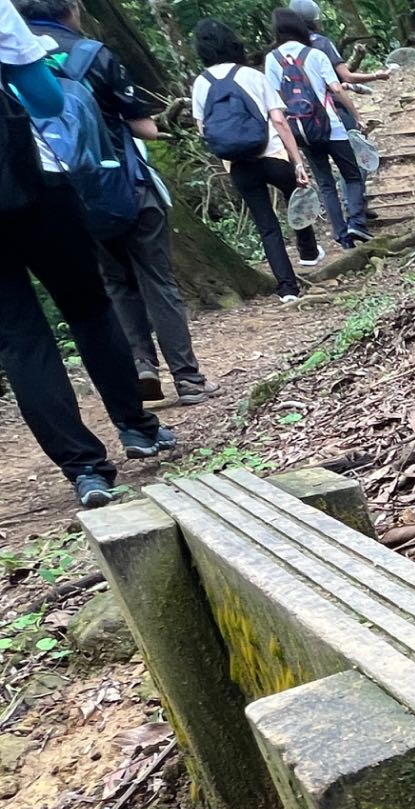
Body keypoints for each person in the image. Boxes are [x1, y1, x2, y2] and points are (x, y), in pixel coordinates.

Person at [0, 0, 172, 508]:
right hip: (31, 185)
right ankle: (136, 427)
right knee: (89, 307)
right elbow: (45, 99)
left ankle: (85, 470)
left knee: (19, 338)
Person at [15, 0, 217, 407]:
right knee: (157, 280)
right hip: (126, 183)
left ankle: (142, 368)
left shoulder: (16, 62)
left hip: (71, 195)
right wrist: (161, 129)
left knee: (116, 283)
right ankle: (188, 378)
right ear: (70, 9)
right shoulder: (92, 53)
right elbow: (142, 126)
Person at [190, 18, 319, 303]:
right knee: (295, 194)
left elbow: (203, 128)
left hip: (238, 164)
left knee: (266, 225)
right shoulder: (252, 75)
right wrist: (297, 161)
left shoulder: (200, 83)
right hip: (272, 155)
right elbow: (279, 120)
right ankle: (308, 250)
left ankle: (287, 288)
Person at [265, 7, 370, 250]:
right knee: (352, 175)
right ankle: (356, 222)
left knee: (325, 183)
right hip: (331, 125)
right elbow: (337, 88)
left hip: (302, 130)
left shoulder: (272, 59)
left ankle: (342, 237)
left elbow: (276, 101)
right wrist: (356, 115)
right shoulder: (315, 54)